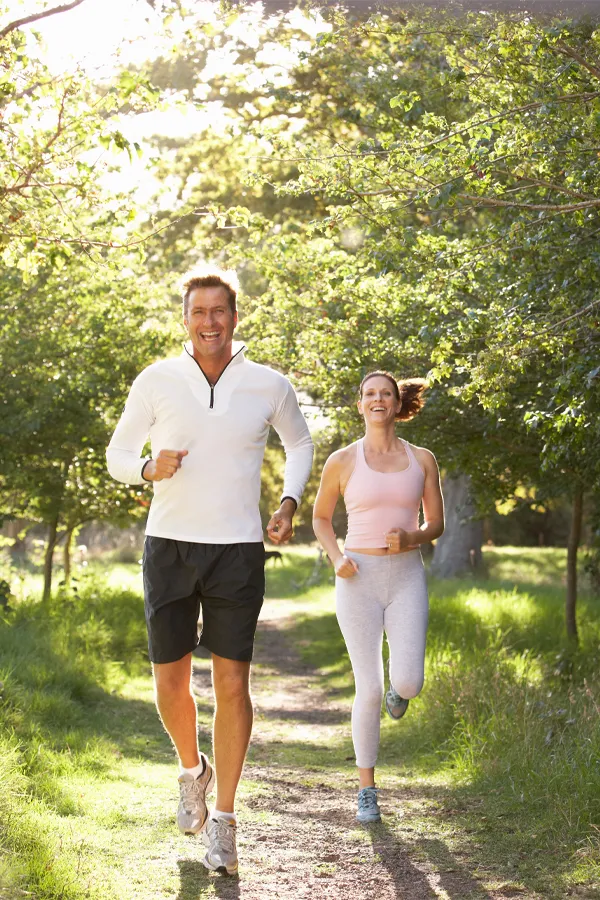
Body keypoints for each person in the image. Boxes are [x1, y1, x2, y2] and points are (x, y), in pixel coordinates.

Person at [106, 267, 313, 874]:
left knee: (232, 686)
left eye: (219, 311)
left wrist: (289, 502)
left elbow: (299, 444)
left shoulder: (269, 383)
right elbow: (118, 454)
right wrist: (147, 468)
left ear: (235, 317)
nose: (210, 322)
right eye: (199, 312)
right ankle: (192, 771)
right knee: (170, 684)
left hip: (237, 551)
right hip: (168, 546)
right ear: (186, 318)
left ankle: (224, 819)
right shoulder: (157, 380)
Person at [312, 371, 444, 824]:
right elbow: (321, 519)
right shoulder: (343, 460)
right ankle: (367, 789)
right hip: (357, 579)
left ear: (396, 402)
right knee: (366, 688)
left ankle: (398, 691)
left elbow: (435, 525)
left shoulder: (423, 459)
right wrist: (336, 558)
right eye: (370, 394)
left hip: (407, 576)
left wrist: (412, 535)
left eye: (385, 393)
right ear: (360, 403)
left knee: (409, 683)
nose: (377, 400)